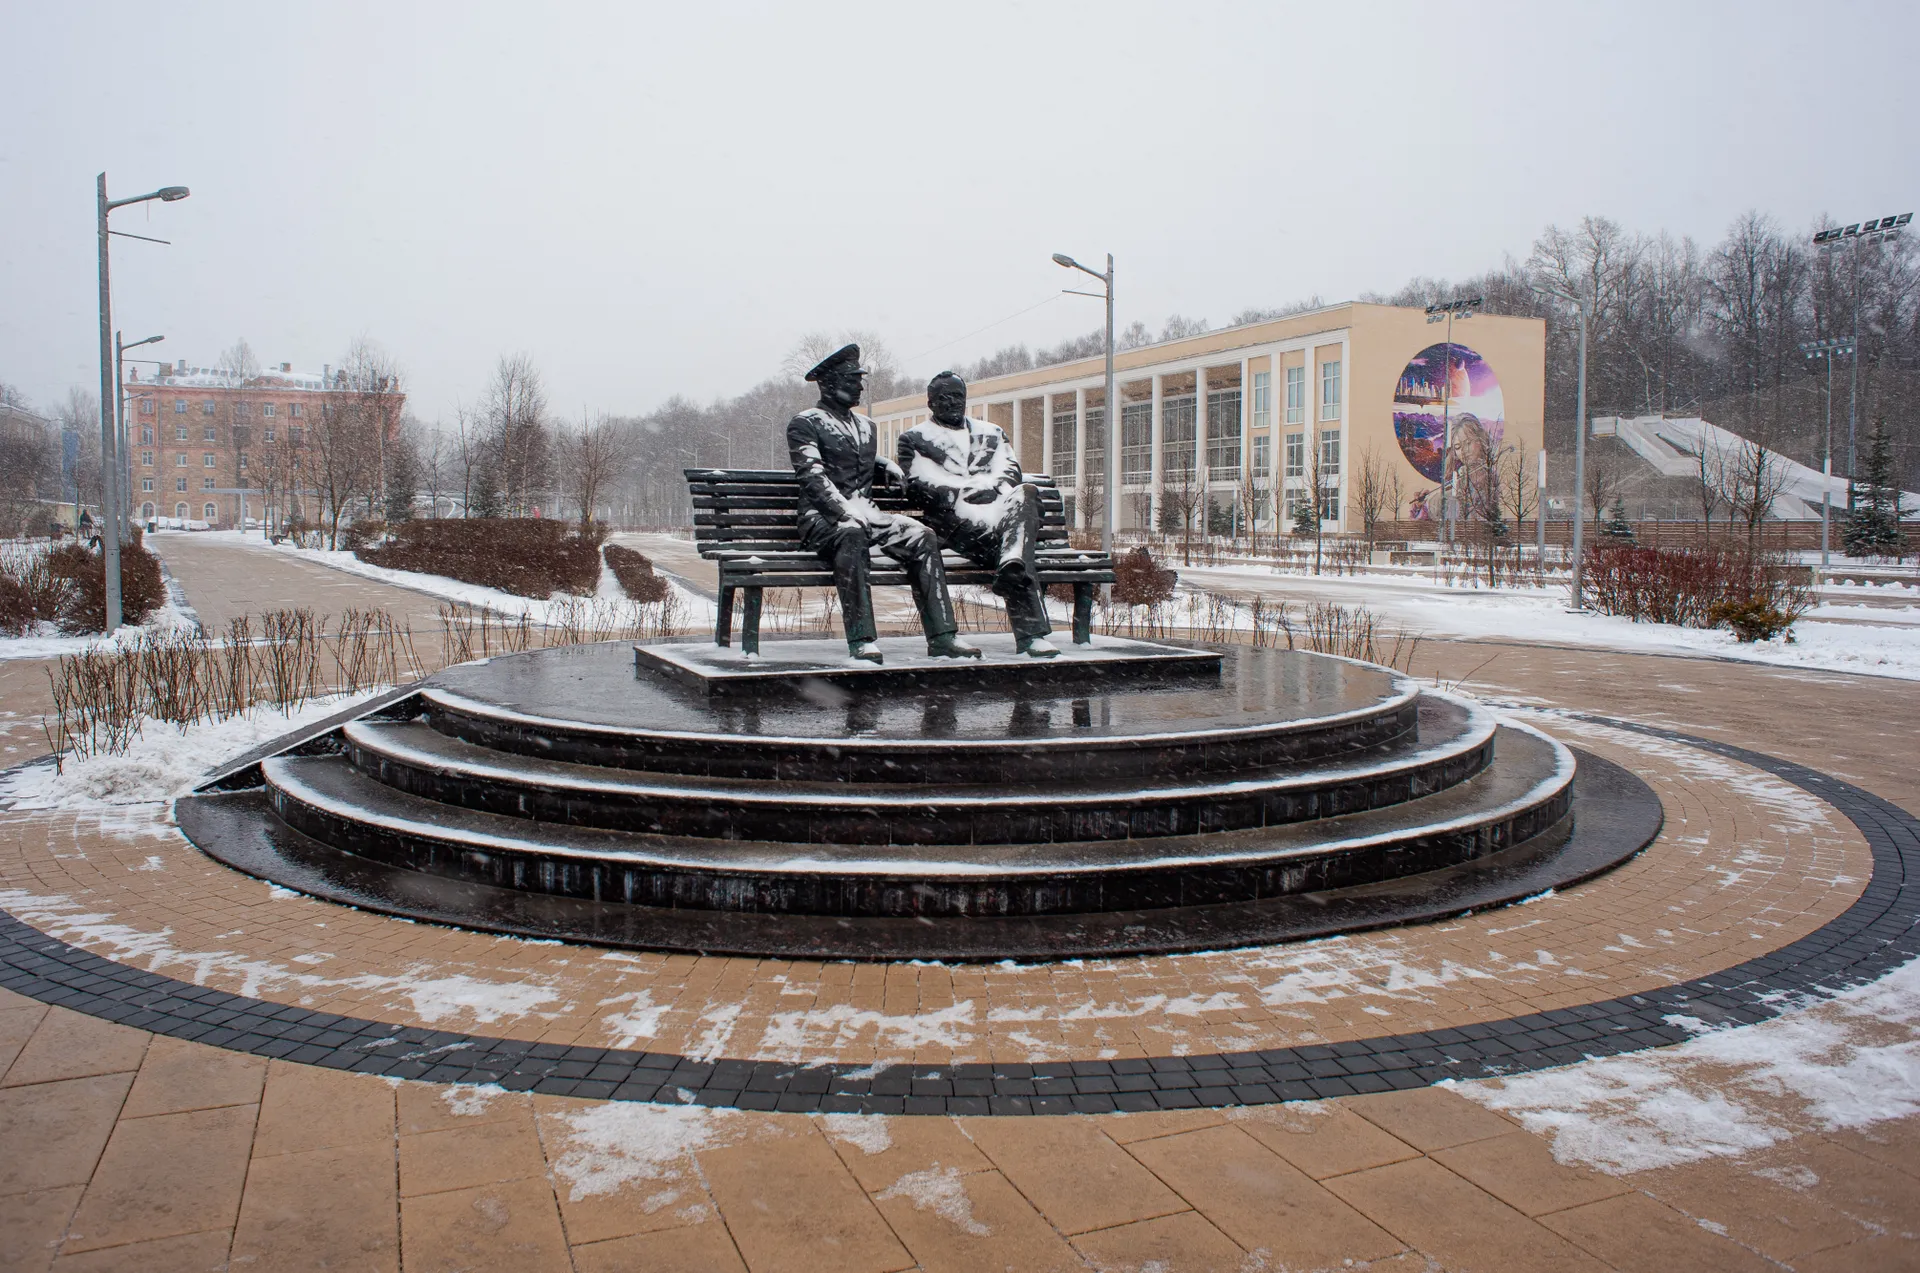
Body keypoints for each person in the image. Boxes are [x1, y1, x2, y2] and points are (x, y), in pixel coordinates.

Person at [786, 344, 976, 664]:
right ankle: (862, 639)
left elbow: (851, 455)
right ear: (829, 383)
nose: (860, 385)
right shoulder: (806, 423)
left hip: (867, 515)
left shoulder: (866, 426)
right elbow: (812, 475)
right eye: (852, 380)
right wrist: (843, 512)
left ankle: (943, 637)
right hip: (822, 519)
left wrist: (883, 463)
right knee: (851, 534)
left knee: (922, 536)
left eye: (860, 379)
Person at [896, 371, 1058, 658]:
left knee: (1028, 493)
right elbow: (917, 484)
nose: (952, 403)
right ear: (930, 402)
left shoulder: (992, 432)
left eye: (958, 397)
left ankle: (1011, 561)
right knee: (1018, 549)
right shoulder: (914, 438)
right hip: (954, 524)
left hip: (997, 514)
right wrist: (963, 492)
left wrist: (995, 489)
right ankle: (1032, 635)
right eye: (944, 398)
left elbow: (1011, 471)